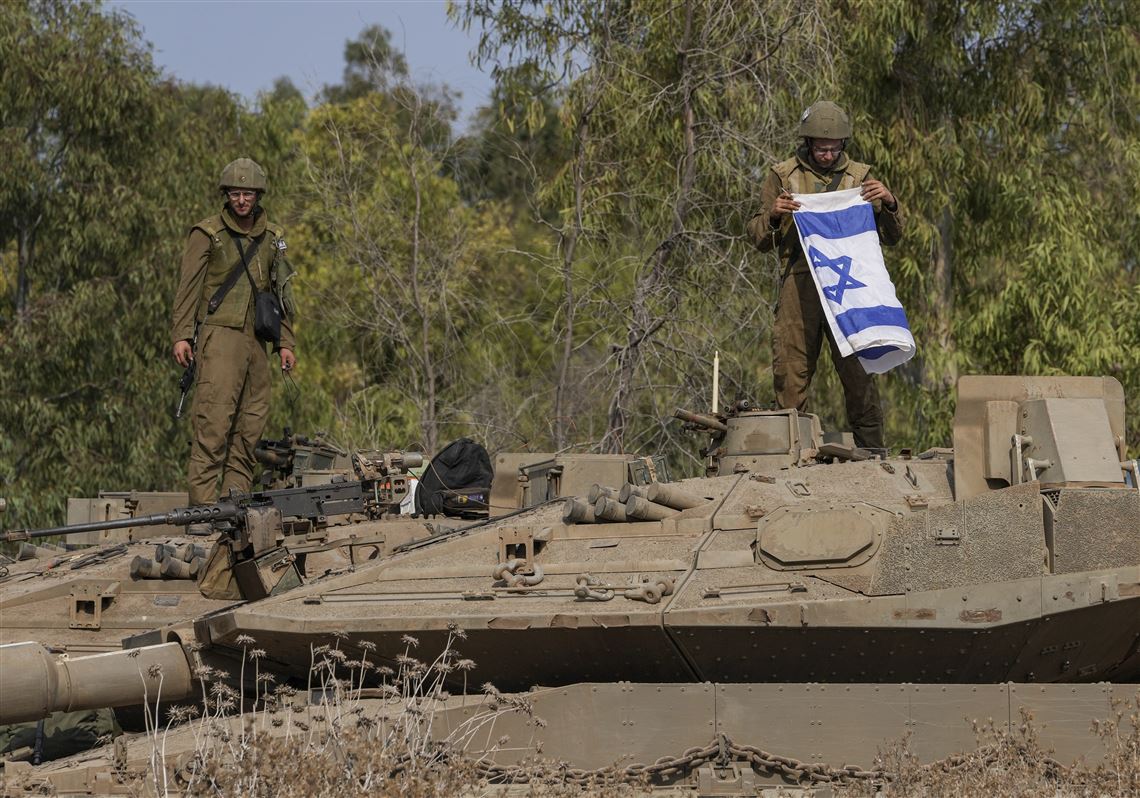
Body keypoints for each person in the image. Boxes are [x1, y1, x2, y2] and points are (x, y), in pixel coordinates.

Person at [747, 101, 904, 450]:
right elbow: (758, 237)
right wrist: (774, 216)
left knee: (858, 375)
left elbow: (892, 236)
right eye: (821, 147)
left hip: (850, 287)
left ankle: (873, 453)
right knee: (791, 373)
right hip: (799, 285)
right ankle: (791, 456)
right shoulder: (783, 176)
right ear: (807, 143)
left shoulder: (861, 178)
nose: (828, 154)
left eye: (834, 148)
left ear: (844, 145)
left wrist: (889, 203)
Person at [171, 158, 297, 506]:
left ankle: (233, 504)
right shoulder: (208, 234)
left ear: (259, 196)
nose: (242, 200)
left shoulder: (272, 239)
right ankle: (202, 510)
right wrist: (181, 334)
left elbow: (281, 293)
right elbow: (187, 288)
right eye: (236, 194)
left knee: (251, 426)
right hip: (219, 336)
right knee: (213, 424)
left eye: (249, 194)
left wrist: (286, 343)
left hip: (257, 340)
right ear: (226, 195)